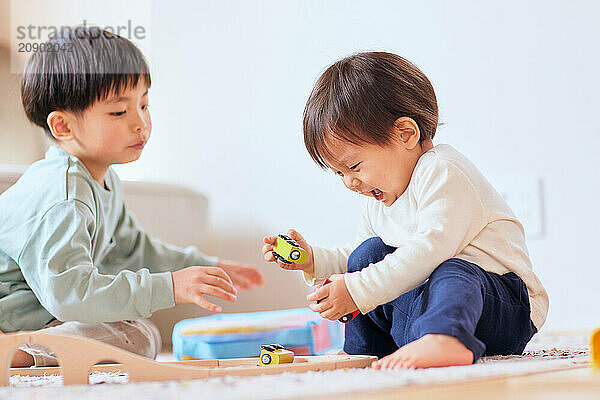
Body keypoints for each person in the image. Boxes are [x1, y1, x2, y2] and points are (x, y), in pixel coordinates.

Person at [262, 52, 548, 369]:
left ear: (405, 134)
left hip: (503, 307)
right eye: (339, 173)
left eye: (354, 166)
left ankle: (446, 339)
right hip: (428, 307)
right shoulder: (380, 200)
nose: (349, 183)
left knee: (453, 269)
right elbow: (356, 254)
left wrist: (357, 290)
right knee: (367, 254)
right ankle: (365, 349)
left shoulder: (443, 171)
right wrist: (314, 259)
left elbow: (429, 251)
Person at [0, 26, 263, 367]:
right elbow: (71, 294)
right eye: (119, 112)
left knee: (141, 334)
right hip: (12, 319)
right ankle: (13, 355)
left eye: (144, 104)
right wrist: (169, 286)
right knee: (137, 337)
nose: (140, 123)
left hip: (39, 318)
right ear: (63, 126)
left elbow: (134, 250)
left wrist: (199, 266)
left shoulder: (103, 181)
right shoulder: (63, 195)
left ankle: (27, 352)